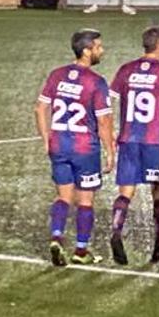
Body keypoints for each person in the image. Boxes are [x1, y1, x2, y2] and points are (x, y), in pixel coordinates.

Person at [35, 29, 115, 267]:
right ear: (87, 50)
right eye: (98, 47)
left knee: (63, 196)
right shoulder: (96, 82)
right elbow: (103, 121)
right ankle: (80, 250)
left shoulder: (57, 75)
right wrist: (110, 151)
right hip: (84, 149)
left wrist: (45, 138)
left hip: (59, 144)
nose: (102, 51)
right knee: (86, 201)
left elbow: (39, 108)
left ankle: (57, 236)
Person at [108, 26, 159, 266]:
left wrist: (112, 130)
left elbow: (108, 101)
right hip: (153, 142)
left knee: (126, 192)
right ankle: (157, 248)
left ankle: (115, 230)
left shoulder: (125, 70)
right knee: (158, 193)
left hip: (129, 140)